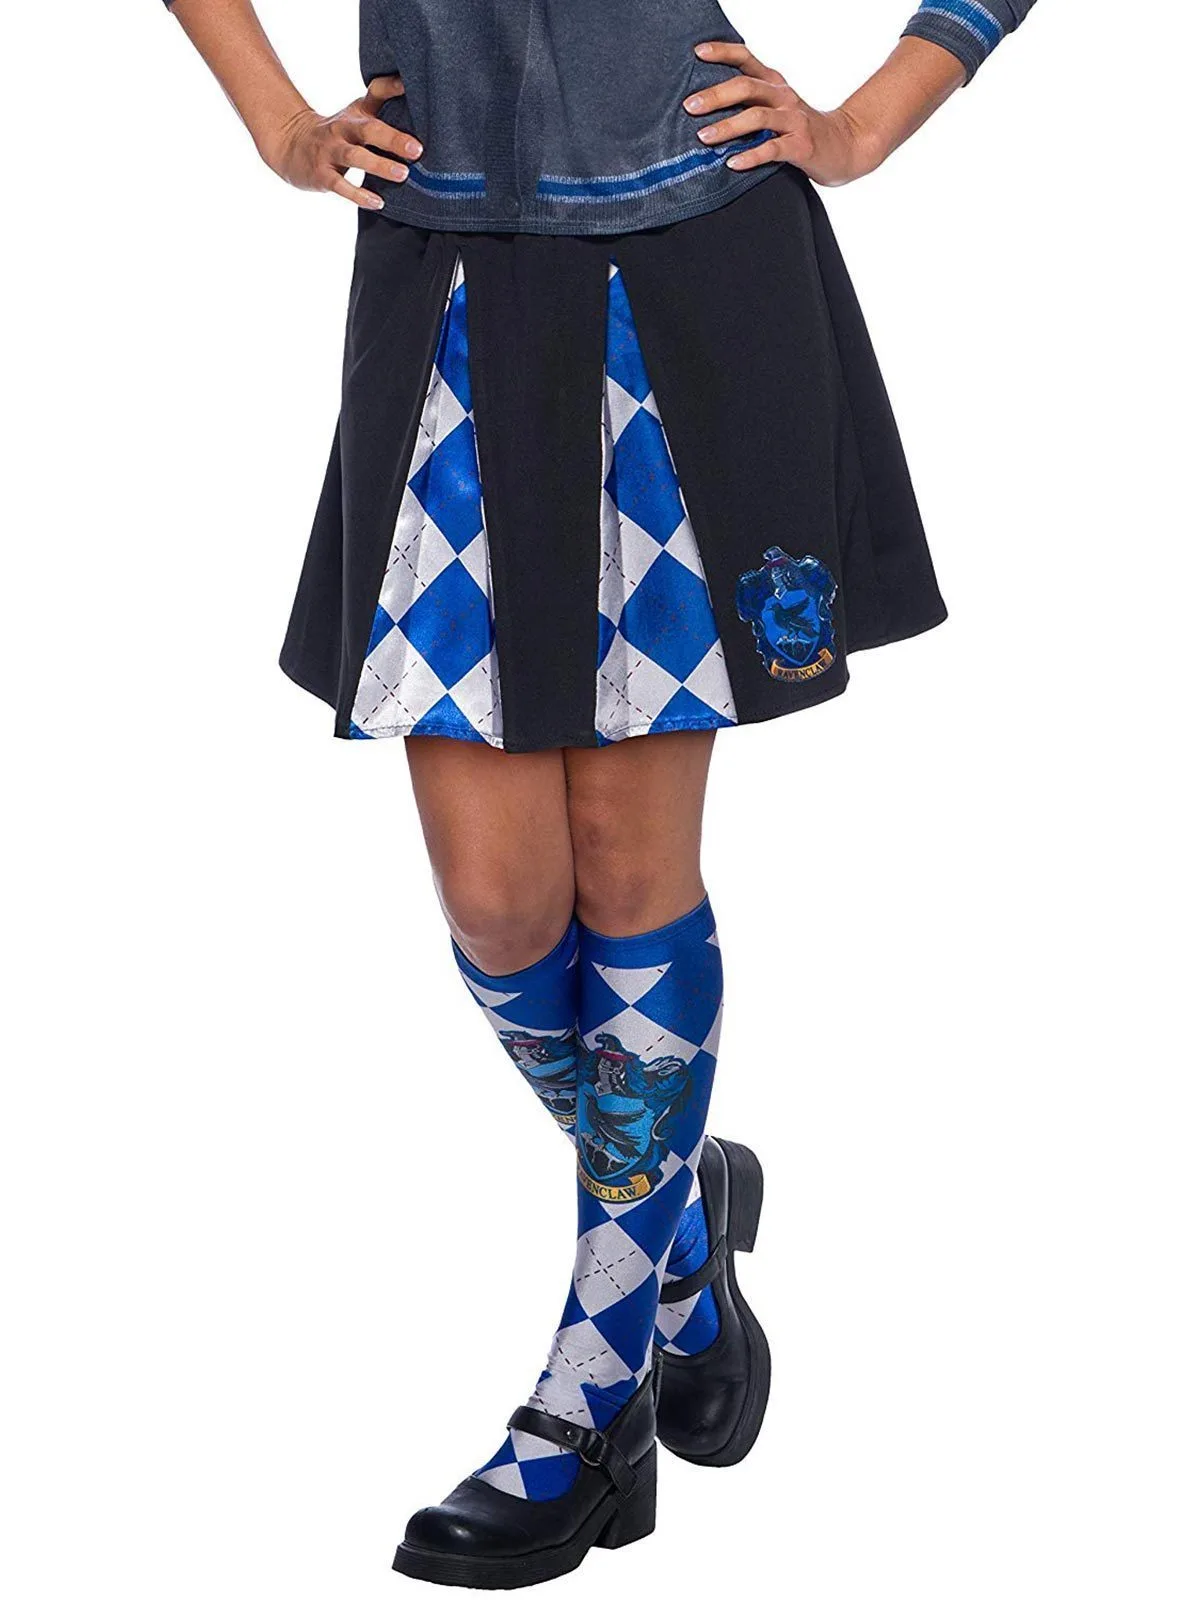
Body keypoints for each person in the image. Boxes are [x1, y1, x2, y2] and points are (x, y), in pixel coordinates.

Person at [164, 0, 1036, 1587]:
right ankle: (681, 1234)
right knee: (498, 906)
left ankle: (585, 1400)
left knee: (630, 869)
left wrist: (866, 120)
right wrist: (279, 122)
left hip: (691, 283)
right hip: (446, 289)